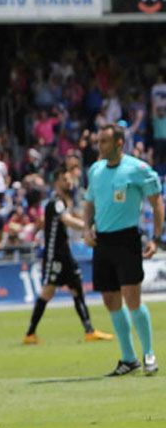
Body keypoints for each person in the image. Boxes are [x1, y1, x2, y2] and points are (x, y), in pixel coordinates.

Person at [83, 124, 164, 376]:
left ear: (119, 143)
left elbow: (156, 202)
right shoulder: (95, 170)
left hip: (127, 239)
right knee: (110, 301)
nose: (100, 146)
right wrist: (87, 228)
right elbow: (89, 202)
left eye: (105, 141)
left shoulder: (138, 169)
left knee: (133, 299)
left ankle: (149, 353)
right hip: (102, 242)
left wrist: (157, 237)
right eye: (99, 141)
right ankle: (128, 358)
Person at [24, 167, 113, 344]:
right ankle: (30, 334)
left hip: (65, 253)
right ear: (57, 182)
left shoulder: (64, 202)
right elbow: (68, 220)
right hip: (54, 254)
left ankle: (89, 330)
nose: (70, 183)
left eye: (70, 179)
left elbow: (75, 216)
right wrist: (88, 227)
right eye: (65, 179)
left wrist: (93, 219)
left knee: (77, 287)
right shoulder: (55, 202)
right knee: (48, 291)